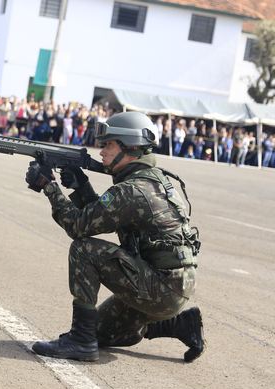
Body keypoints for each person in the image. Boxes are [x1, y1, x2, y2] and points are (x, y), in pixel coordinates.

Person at [25, 111, 204, 363]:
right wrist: (81, 188)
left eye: (108, 144)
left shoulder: (131, 190)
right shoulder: (154, 181)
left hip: (160, 287)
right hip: (170, 286)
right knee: (100, 330)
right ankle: (177, 323)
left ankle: (80, 342)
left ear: (130, 147)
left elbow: (78, 227)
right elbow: (105, 218)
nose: (101, 152)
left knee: (84, 249)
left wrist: (49, 187)